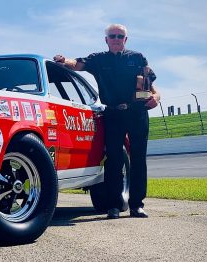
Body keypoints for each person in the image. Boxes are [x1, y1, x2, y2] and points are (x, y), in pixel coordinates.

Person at [54, 24, 161, 219]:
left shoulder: (137, 57)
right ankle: (113, 205)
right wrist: (63, 60)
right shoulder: (98, 59)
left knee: (138, 158)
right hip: (113, 114)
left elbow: (150, 86)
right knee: (113, 159)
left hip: (137, 112)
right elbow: (78, 64)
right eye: (112, 36)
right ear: (106, 39)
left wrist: (157, 97)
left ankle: (137, 205)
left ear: (126, 40)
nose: (116, 39)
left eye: (120, 36)